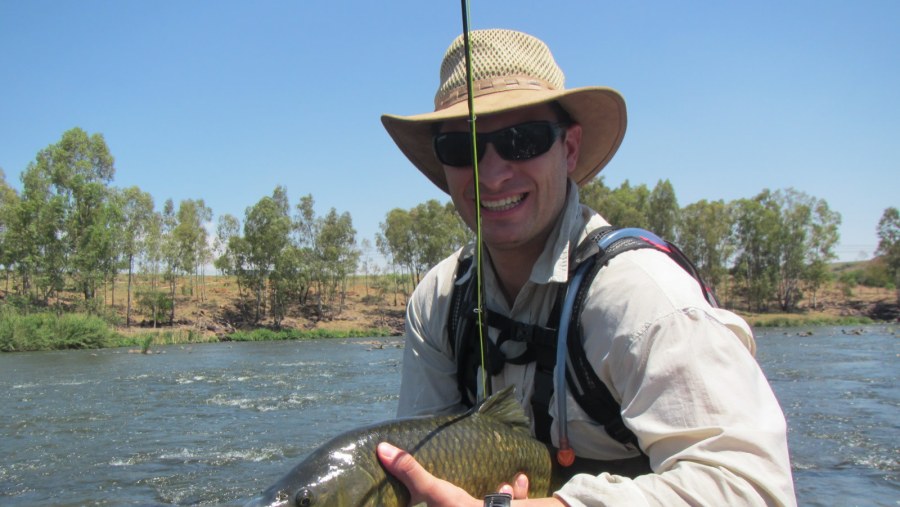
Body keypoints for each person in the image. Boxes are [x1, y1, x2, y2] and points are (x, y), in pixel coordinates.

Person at [377, 28, 796, 506]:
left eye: (523, 139)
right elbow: (420, 468)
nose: (492, 174)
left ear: (569, 150)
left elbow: (755, 488)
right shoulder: (438, 300)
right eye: (461, 147)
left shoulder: (645, 298)